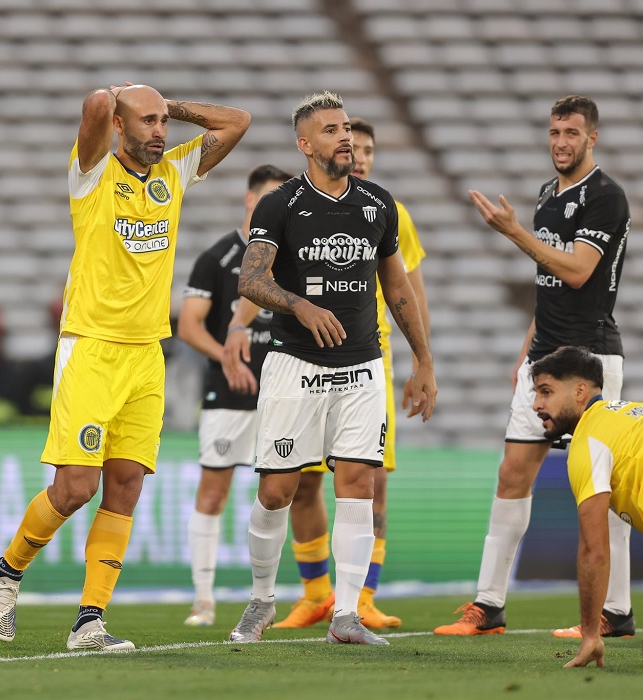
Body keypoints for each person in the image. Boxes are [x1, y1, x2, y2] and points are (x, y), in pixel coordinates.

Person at [0, 83, 250, 651]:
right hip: (92, 349)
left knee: (124, 487)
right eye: (147, 123)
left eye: (164, 124)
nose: (160, 132)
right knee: (75, 488)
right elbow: (96, 110)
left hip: (147, 354)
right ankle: (7, 570)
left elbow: (236, 121)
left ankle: (90, 620)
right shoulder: (92, 174)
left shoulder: (175, 173)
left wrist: (167, 106)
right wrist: (117, 100)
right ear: (120, 128)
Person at [226, 91, 435, 646]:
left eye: (346, 128)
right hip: (294, 364)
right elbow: (249, 281)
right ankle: (262, 598)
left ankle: (346, 615)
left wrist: (424, 361)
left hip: (362, 365)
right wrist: (299, 304)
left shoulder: (378, 204)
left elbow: (398, 287)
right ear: (304, 144)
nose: (344, 137)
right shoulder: (280, 205)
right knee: (278, 491)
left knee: (358, 483)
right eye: (330, 130)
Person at [435, 95, 634, 637]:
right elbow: (548, 290)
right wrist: (526, 354)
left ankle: (615, 613)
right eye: (554, 133)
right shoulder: (549, 194)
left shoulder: (607, 198)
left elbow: (576, 272)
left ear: (592, 138)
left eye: (571, 133)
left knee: (603, 490)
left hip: (592, 361)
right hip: (544, 358)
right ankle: (489, 606)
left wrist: (514, 233)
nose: (560, 143)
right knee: (512, 473)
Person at [177, 164, 292, 627]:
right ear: (250, 201)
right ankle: (203, 600)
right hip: (227, 395)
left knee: (288, 492)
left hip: (282, 392)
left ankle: (277, 595)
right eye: (268, 199)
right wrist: (226, 356)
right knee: (213, 491)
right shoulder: (218, 257)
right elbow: (188, 326)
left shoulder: (292, 256)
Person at [526, 347, 643, 668]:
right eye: (536, 393)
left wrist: (590, 634)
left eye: (546, 392)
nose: (536, 405)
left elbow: (594, 549)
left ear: (579, 391)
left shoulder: (588, 441)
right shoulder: (633, 411)